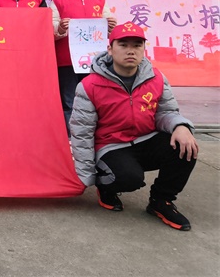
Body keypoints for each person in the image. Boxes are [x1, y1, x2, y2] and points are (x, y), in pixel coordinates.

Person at [70, 22, 198, 231]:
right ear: (110, 49)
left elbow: (166, 112)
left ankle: (161, 201)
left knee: (187, 147)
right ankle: (106, 187)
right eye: (123, 45)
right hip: (111, 147)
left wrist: (180, 126)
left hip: (145, 139)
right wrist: (87, 176)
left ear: (143, 49)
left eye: (137, 45)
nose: (131, 51)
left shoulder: (156, 78)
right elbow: (82, 133)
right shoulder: (89, 86)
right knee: (128, 179)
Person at [50, 0, 117, 131]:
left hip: (95, 61)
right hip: (66, 61)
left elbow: (108, 29)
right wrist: (60, 28)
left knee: (94, 98)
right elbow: (50, 29)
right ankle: (71, 137)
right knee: (69, 100)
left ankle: (94, 134)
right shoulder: (58, 0)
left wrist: (111, 26)